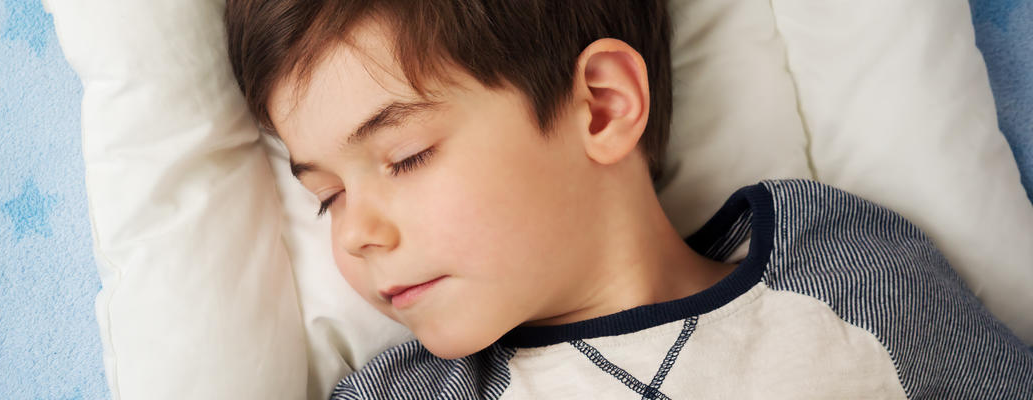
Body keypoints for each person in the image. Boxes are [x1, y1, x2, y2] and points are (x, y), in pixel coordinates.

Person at [223, 0, 1033, 397]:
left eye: (404, 157)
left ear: (602, 106)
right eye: (326, 197)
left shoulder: (844, 275)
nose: (356, 234)